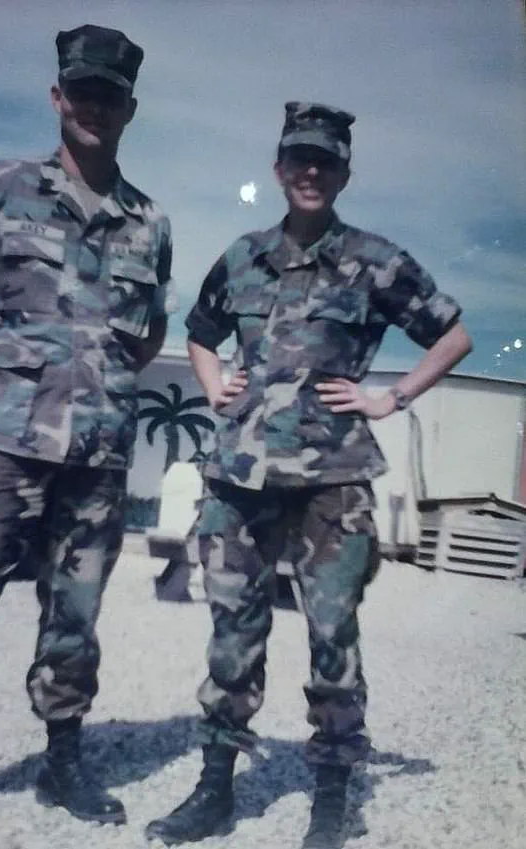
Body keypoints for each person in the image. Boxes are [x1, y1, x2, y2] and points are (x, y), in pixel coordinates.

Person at [145, 102, 472, 848]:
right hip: (242, 474)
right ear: (279, 168)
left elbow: (453, 335)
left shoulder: (375, 260)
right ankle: (215, 787)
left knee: (332, 635)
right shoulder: (243, 257)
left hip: (334, 477)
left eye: (326, 161)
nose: (312, 171)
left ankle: (330, 797)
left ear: (344, 174)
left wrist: (392, 396)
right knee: (233, 632)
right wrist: (213, 383)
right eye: (300, 158)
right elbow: (200, 333)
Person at [0, 24, 174, 834]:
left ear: (129, 109)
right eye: (81, 90)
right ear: (58, 96)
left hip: (95, 452)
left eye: (109, 95)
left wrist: (95, 383)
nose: (94, 105)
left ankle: (62, 761)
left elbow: (150, 328)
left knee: (75, 614)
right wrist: (5, 375)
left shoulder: (149, 222)